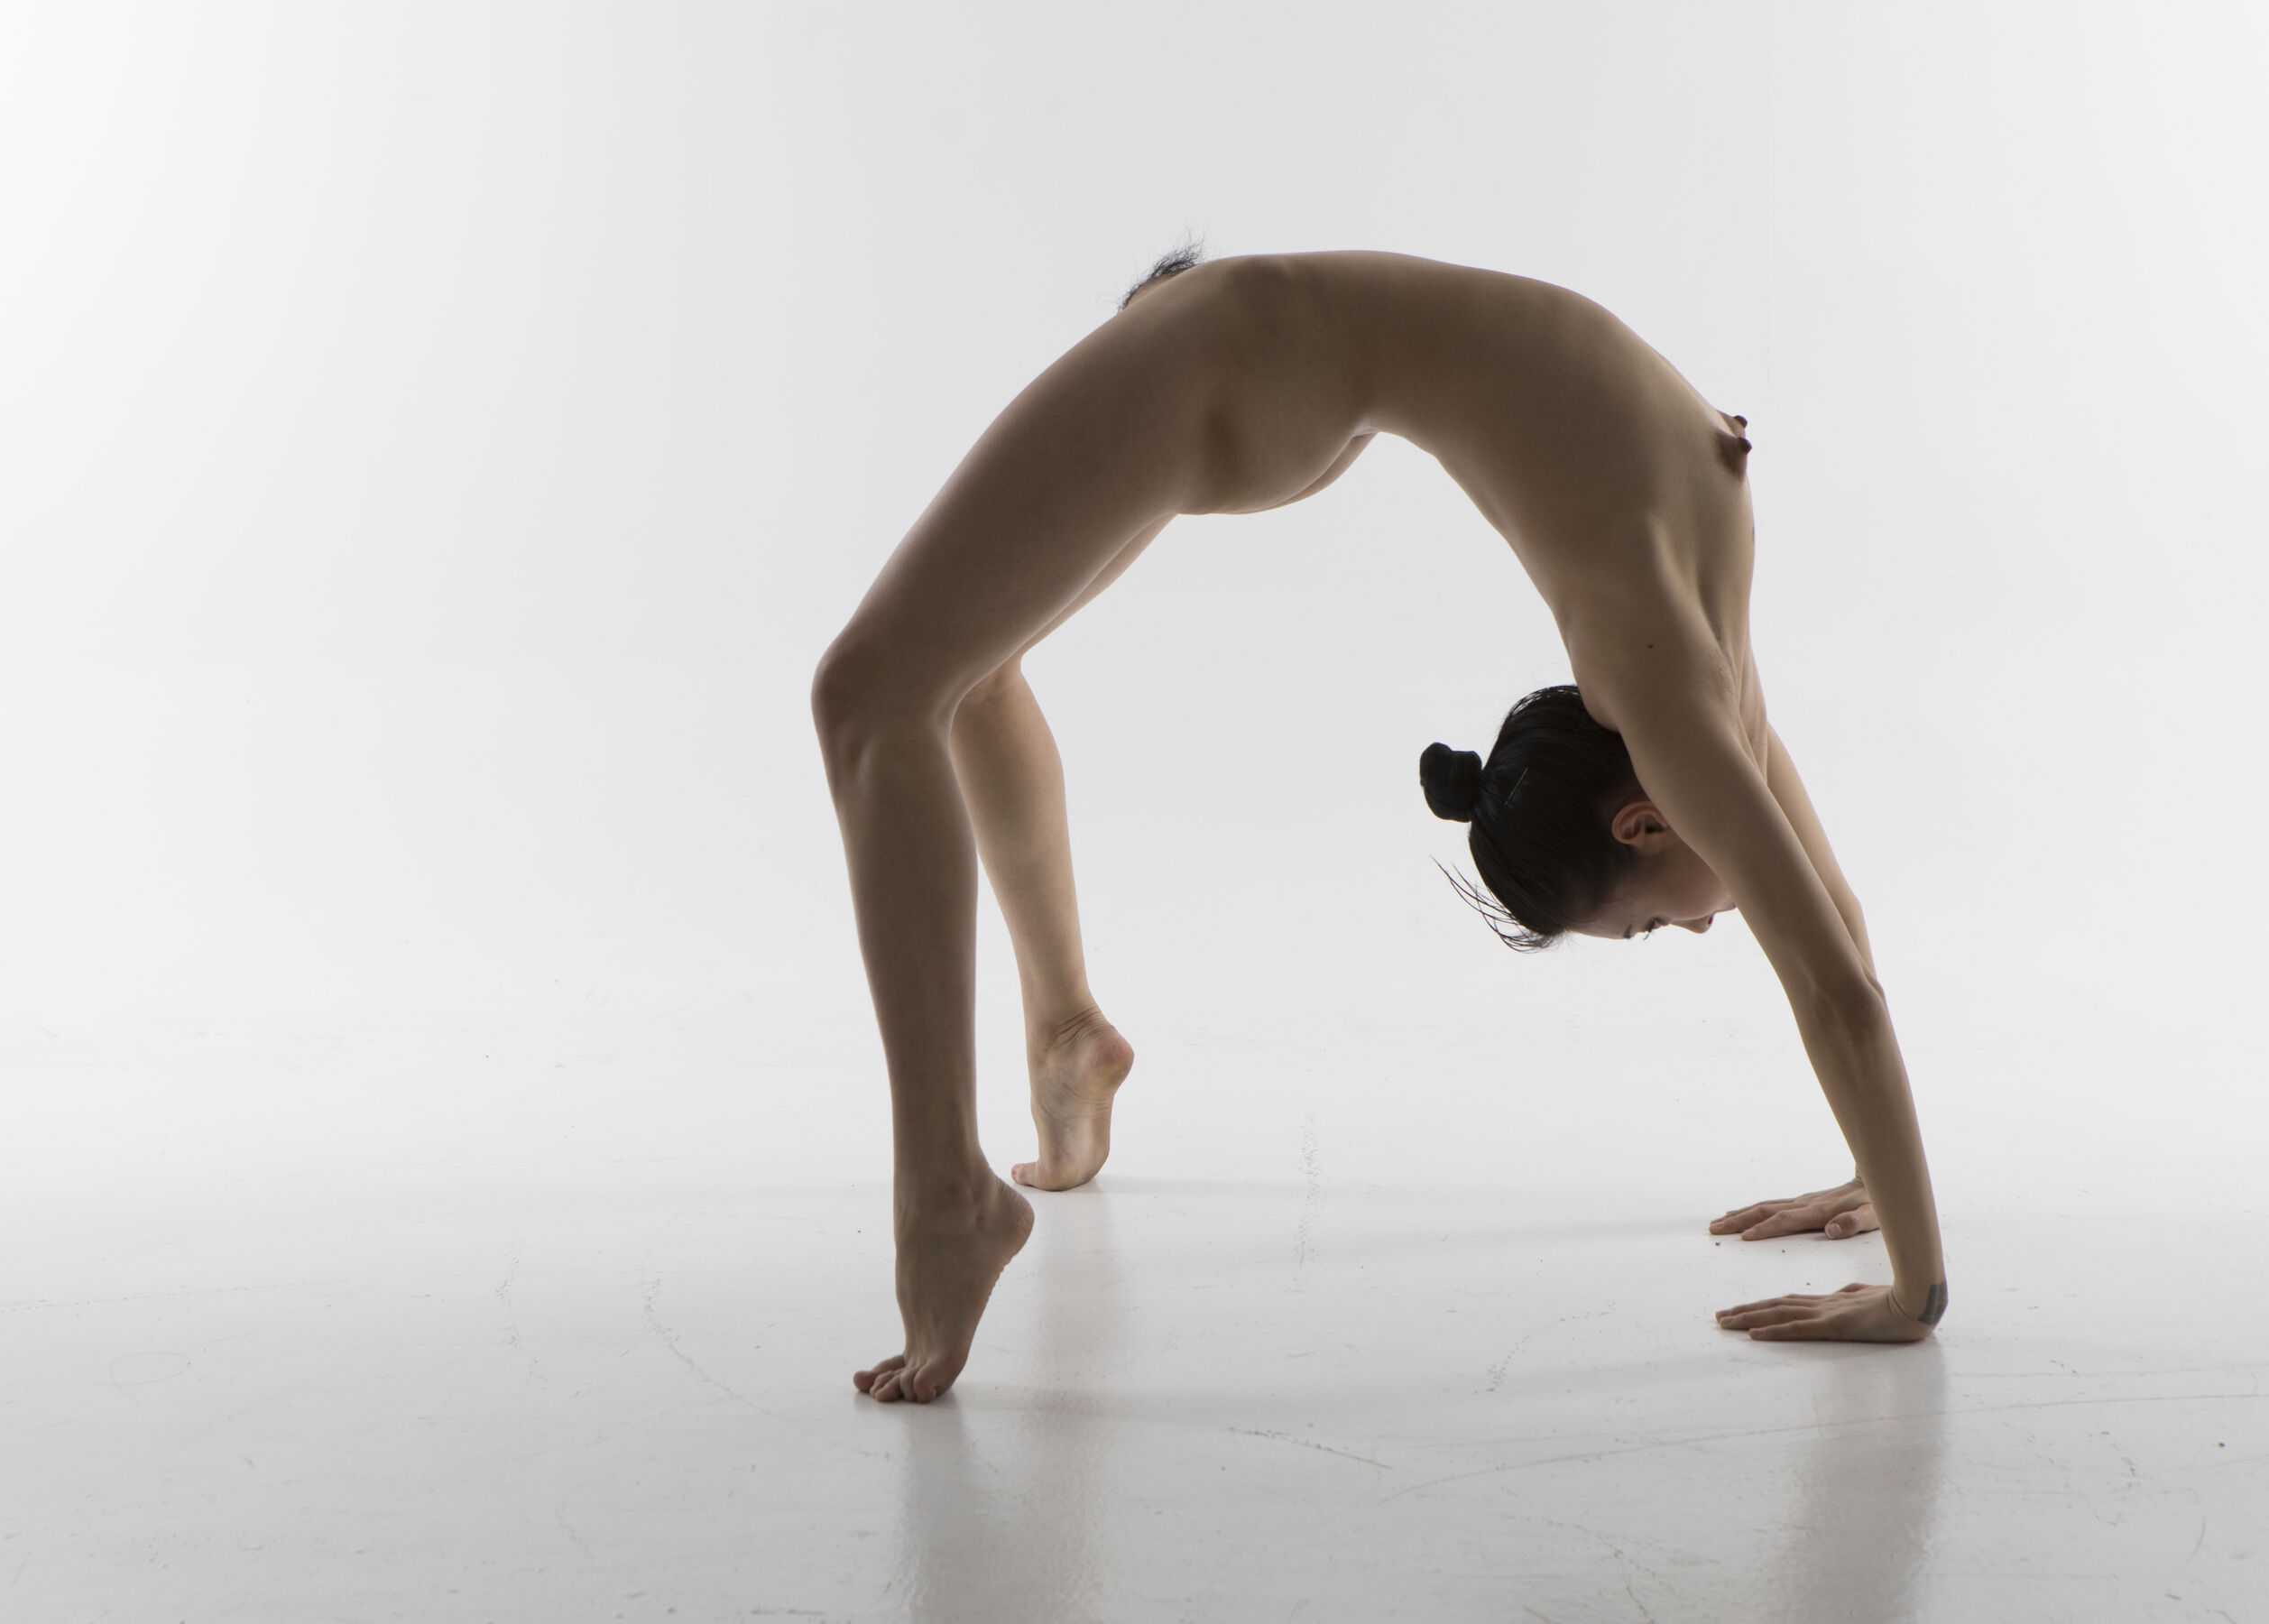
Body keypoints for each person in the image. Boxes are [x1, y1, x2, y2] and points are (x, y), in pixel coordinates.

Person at [812, 245, 1948, 1404]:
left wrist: (1877, 1176)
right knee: (875, 694)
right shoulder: (1671, 693)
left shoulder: (1699, 682)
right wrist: (1912, 1296)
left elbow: (1830, 929)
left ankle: (1063, 1036)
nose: (1702, 929)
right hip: (1230, 348)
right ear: (1645, 824)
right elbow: (1836, 990)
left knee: (943, 667)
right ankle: (948, 1193)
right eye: (1651, 926)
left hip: (1280, 363)